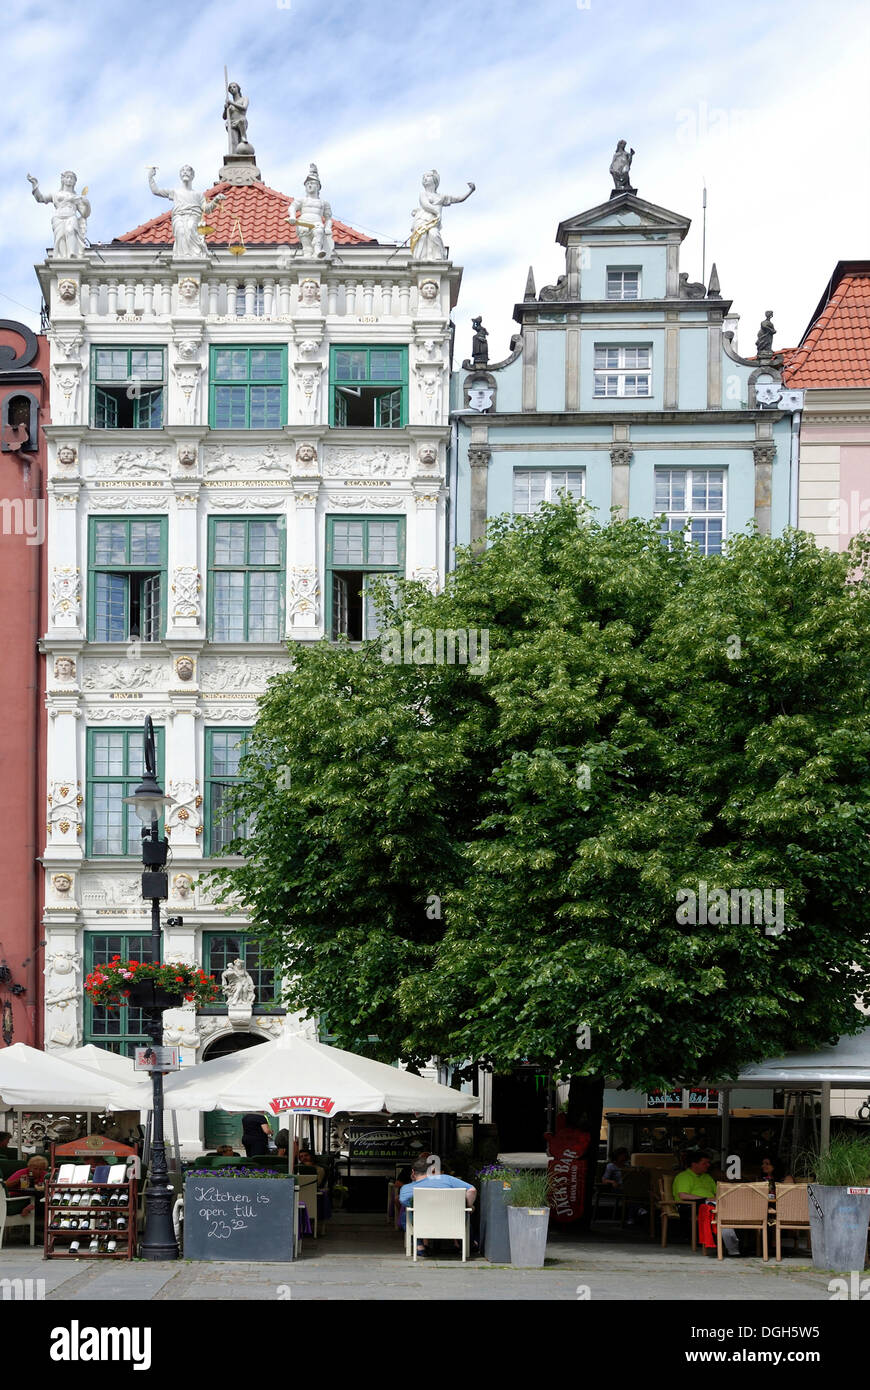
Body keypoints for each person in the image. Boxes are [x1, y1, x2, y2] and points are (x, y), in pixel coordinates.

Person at [399, 1156, 476, 1255]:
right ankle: (467, 1244)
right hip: (453, 1222)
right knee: (465, 1211)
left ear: (413, 1172)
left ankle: (419, 1247)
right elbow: (472, 1190)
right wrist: (469, 1206)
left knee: (405, 1214)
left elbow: (404, 1202)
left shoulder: (406, 1189)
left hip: (424, 1224)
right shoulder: (446, 1179)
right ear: (433, 1170)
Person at [672, 1151, 740, 1256]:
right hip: (690, 1206)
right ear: (694, 1164)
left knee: (734, 1208)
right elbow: (683, 1196)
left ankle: (737, 1245)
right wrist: (706, 1199)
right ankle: (732, 1247)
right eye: (705, 1163)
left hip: (711, 1204)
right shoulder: (684, 1176)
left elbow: (717, 1193)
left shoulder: (707, 1177)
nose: (708, 1165)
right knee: (721, 1212)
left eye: (708, 1163)